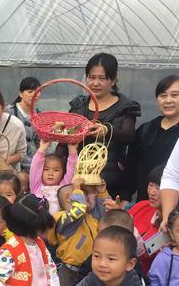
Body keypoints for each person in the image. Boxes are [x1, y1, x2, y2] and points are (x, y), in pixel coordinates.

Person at [57, 53, 141, 201]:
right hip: (77, 180)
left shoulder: (125, 107)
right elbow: (64, 142)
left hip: (110, 183)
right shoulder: (78, 106)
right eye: (91, 77)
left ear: (113, 80)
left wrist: (108, 131)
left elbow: (129, 136)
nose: (95, 83)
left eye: (102, 78)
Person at [62, 209, 147, 286]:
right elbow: (80, 283)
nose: (102, 263)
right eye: (101, 235)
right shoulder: (92, 259)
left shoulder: (135, 274)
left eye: (111, 259)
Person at [48, 178, 108, 286]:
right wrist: (76, 189)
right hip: (69, 272)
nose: (90, 198)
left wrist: (101, 193)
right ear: (69, 198)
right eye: (85, 195)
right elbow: (78, 210)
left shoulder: (90, 216)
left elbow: (104, 213)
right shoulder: (61, 219)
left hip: (89, 269)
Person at [129, 75, 179, 201]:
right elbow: (132, 166)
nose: (168, 101)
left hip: (174, 205)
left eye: (174, 95)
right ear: (157, 100)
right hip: (145, 202)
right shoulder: (145, 130)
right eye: (163, 96)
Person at [128, 165, 165, 274]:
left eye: (158, 188)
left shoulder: (172, 225)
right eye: (150, 185)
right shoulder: (142, 205)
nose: (152, 192)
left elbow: (146, 254)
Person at [29, 140, 78, 215]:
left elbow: (71, 170)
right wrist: (41, 149)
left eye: (56, 170)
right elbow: (35, 168)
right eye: (46, 169)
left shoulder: (64, 187)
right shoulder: (36, 187)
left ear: (63, 173)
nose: (50, 173)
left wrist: (72, 151)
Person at [7, 76, 41, 171]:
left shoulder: (39, 115)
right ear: (21, 94)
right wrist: (35, 167)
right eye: (30, 92)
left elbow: (40, 142)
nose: (35, 95)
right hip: (12, 160)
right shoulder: (9, 112)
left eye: (38, 92)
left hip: (31, 159)